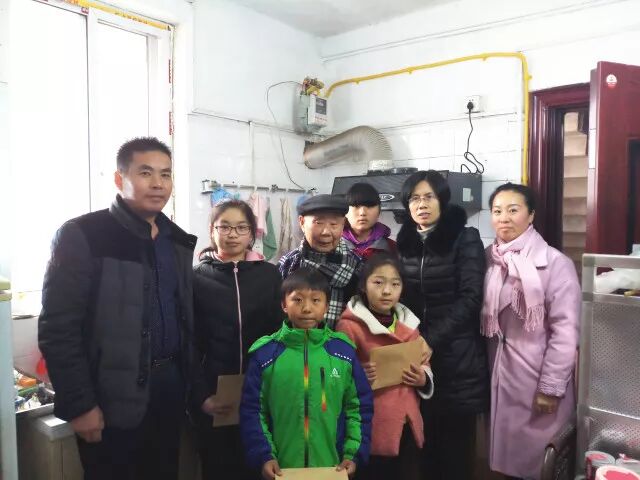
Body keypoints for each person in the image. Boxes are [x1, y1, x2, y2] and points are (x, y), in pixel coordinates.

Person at [38, 137, 197, 480]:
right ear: (118, 178)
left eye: (166, 174)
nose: (158, 184)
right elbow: (58, 328)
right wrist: (80, 405)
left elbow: (185, 318)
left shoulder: (176, 240)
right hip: (110, 396)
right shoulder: (85, 235)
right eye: (146, 173)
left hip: (169, 390)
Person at [482, 183, 581, 480]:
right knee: (504, 464)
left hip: (536, 378)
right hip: (499, 375)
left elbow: (566, 332)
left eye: (513, 210)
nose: (504, 218)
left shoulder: (555, 263)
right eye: (497, 211)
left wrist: (550, 387)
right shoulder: (488, 259)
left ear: (531, 215)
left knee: (539, 465)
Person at [396, 169, 488, 480]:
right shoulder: (406, 242)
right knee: (423, 447)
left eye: (429, 197)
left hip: (458, 358)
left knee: (455, 453)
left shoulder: (464, 237)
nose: (421, 204)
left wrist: (430, 339)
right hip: (418, 356)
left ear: (442, 200)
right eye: (414, 199)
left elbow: (471, 298)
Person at [239, 267, 373, 479]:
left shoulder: (343, 352)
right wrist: (264, 456)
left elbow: (358, 407)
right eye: (298, 300)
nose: (307, 308)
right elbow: (253, 411)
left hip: (332, 468)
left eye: (316, 300)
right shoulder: (265, 354)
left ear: (327, 306)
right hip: (282, 469)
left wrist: (353, 454)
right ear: (284, 304)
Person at [191, 199, 283, 480]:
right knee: (218, 467)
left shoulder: (269, 275)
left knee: (259, 465)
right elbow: (189, 342)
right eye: (225, 227)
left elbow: (280, 332)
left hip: (261, 392)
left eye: (241, 228)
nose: (232, 234)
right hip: (215, 394)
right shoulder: (196, 277)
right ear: (212, 230)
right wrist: (201, 396)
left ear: (252, 233)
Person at [336, 253, 433, 480]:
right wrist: (358, 377)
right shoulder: (349, 326)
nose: (387, 291)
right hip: (370, 424)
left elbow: (424, 362)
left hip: (407, 421)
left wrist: (423, 378)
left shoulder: (409, 324)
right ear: (363, 285)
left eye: (395, 284)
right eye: (378, 283)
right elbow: (336, 372)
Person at [279, 194, 361, 328]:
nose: (326, 232)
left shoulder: (357, 267)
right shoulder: (288, 264)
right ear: (302, 222)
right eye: (318, 223)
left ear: (343, 224)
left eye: (334, 224)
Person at [342, 182, 396, 259]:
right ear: (346, 212)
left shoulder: (393, 248)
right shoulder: (331, 245)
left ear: (379, 211)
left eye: (369, 206)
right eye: (356, 206)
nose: (362, 213)